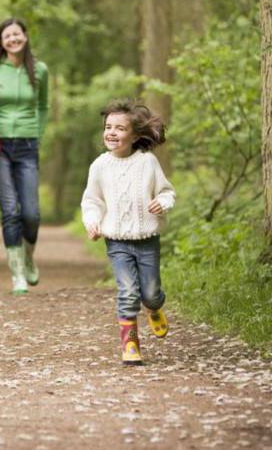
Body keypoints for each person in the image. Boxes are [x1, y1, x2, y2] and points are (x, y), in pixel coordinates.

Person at [80, 99, 175, 365]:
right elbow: (92, 201)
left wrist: (163, 203)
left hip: (147, 240)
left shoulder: (147, 162)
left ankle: (154, 307)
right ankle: (130, 342)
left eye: (120, 128)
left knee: (151, 293)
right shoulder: (99, 166)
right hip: (117, 242)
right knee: (128, 291)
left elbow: (167, 191)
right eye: (108, 127)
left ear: (135, 135)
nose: (111, 132)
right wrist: (92, 222)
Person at [0, 18, 49, 295]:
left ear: (25, 36)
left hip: (27, 145)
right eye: (7, 36)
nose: (12, 39)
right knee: (10, 211)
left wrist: (37, 134)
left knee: (31, 214)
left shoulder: (40, 70)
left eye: (17, 34)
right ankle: (17, 274)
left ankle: (29, 257)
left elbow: (43, 106)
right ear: (1, 42)